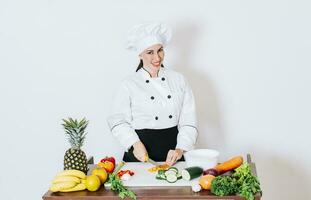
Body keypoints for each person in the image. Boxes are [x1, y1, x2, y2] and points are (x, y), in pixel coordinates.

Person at [107, 22, 198, 166]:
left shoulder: (179, 80)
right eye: (150, 52)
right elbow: (118, 121)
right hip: (140, 153)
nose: (157, 58)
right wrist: (134, 144)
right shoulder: (128, 84)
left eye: (160, 50)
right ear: (140, 55)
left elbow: (188, 121)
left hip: (173, 153)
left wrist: (181, 149)